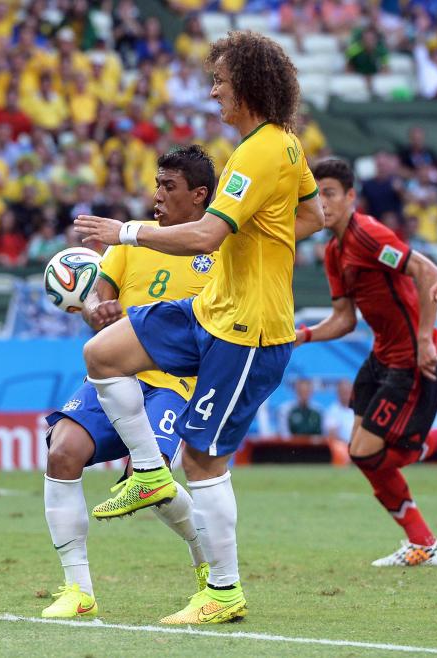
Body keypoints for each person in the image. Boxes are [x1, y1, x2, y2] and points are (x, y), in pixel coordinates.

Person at [73, 31, 325, 624]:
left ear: (249, 85)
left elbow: (207, 236)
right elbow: (312, 214)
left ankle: (223, 591)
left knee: (205, 461)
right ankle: (148, 474)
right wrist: (263, 236)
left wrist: (125, 232)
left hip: (249, 331)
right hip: (210, 308)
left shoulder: (261, 151)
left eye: (221, 81)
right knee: (102, 354)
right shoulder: (282, 145)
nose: (213, 91)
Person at [41, 146, 218, 620]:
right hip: (115, 377)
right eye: (157, 184)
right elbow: (101, 313)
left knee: (150, 480)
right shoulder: (127, 244)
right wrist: (100, 313)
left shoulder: (219, 252)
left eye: (169, 187)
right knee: (62, 451)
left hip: (173, 386)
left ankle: (209, 565)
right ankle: (78, 590)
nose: (157, 195)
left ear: (199, 196)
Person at [296, 158, 437, 567]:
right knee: (362, 452)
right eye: (316, 195)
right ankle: (422, 542)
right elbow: (345, 320)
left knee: (372, 455)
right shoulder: (333, 252)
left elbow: (426, 269)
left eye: (330, 193)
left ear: (350, 197)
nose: (322, 203)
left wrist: (422, 340)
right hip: (381, 357)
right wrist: (304, 336)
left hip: (411, 360)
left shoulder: (367, 234)